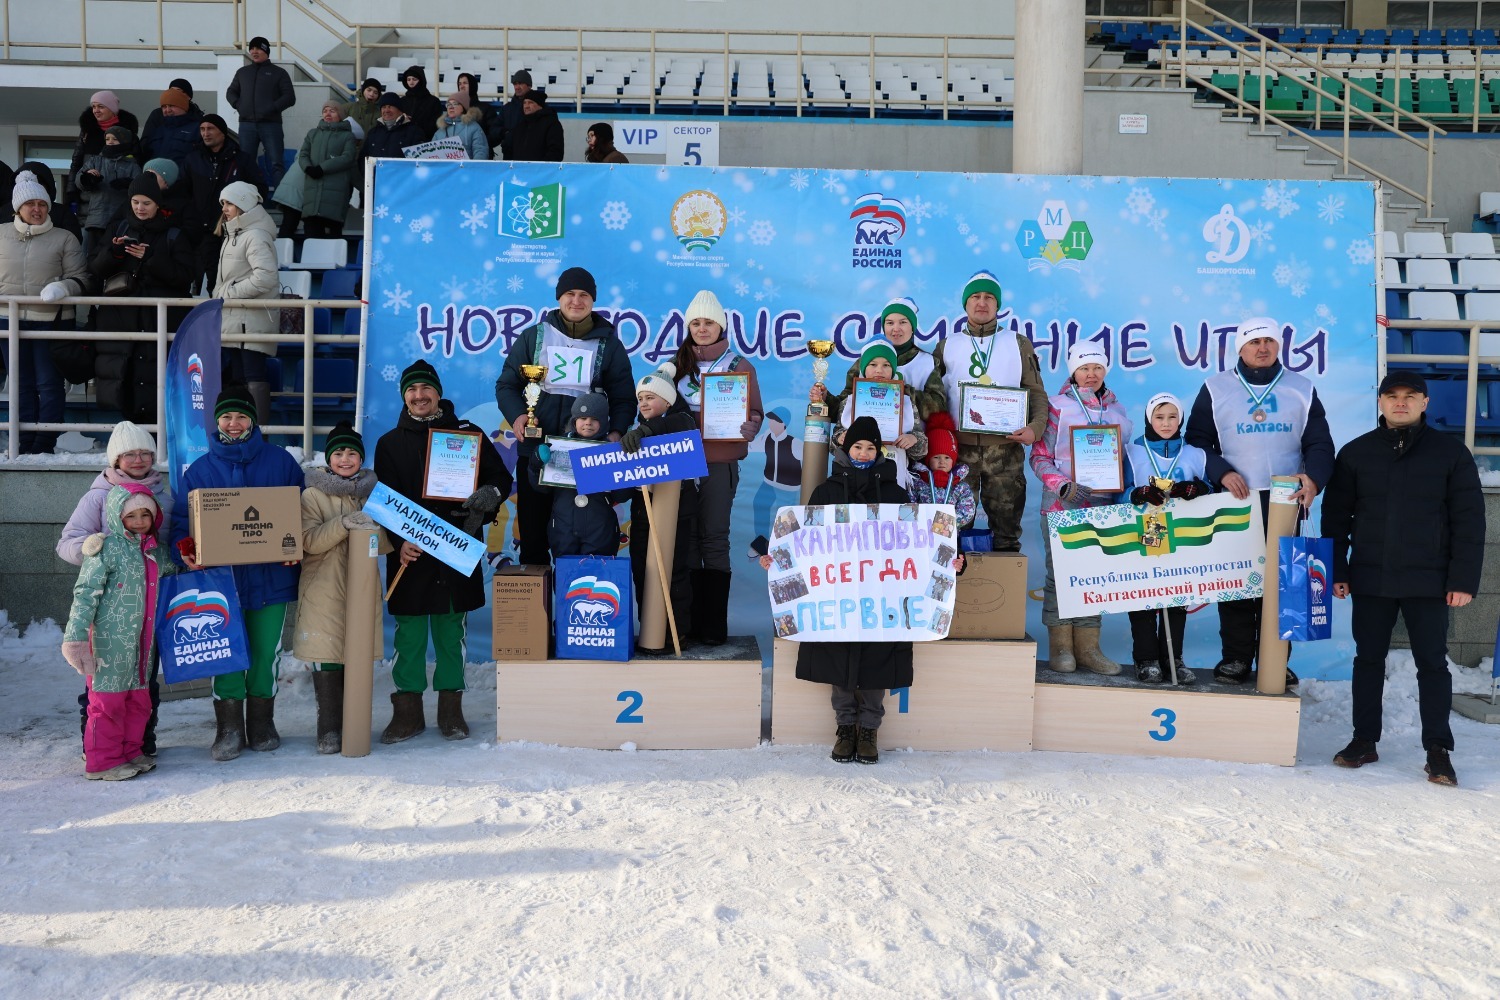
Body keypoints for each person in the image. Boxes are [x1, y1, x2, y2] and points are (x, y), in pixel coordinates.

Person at [761, 416, 963, 764]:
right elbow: (802, 542)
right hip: (837, 600)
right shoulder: (824, 492)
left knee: (876, 662)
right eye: (858, 446)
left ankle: (869, 730)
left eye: (871, 447)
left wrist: (951, 562)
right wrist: (778, 559)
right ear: (845, 448)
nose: (864, 452)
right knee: (837, 657)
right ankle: (844, 728)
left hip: (880, 600)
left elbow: (921, 542)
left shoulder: (896, 495)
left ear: (879, 451)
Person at [1322, 371, 1485, 787]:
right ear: (1379, 402)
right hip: (1372, 577)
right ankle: (1364, 740)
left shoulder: (1450, 453)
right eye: (1392, 396)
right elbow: (1336, 518)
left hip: (1429, 581)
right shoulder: (1356, 453)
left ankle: (1438, 750)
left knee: (1432, 664)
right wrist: (1338, 570)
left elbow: (1469, 521)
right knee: (1368, 661)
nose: (1400, 403)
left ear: (1425, 403)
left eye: (1410, 396)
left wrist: (1462, 579)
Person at [1184, 316, 1335, 687]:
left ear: (1279, 346)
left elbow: (1319, 443)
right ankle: (1235, 658)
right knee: (1238, 582)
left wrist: (1313, 480)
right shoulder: (1216, 388)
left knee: (1285, 584)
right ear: (1240, 348)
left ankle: (1275, 659)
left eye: (1269, 341)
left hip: (1286, 500)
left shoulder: (1301, 387)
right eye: (1254, 343)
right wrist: (1219, 471)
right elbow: (1197, 440)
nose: (1262, 348)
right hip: (1235, 499)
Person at [374, 361, 510, 743]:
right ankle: (407, 714)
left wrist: (488, 497)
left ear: (438, 392)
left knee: (452, 636)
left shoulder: (468, 434)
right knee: (410, 639)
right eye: (412, 390)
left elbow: (501, 479)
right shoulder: (389, 443)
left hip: (455, 549)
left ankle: (451, 712)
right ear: (404, 396)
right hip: (411, 555)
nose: (419, 396)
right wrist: (398, 542)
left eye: (425, 389)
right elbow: (385, 500)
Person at [170, 384, 303, 761]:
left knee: (265, 655)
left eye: (241, 415)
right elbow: (182, 522)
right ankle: (228, 728)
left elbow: (301, 514)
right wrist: (187, 549)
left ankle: (261, 724)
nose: (233, 423)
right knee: (225, 653)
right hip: (221, 582)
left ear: (253, 419)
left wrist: (296, 548)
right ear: (217, 421)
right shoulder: (200, 470)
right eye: (226, 416)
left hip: (271, 580)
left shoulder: (281, 462)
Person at [496, 267, 635, 566]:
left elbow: (624, 397)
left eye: (584, 295)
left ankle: (575, 608)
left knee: (581, 540)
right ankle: (539, 612)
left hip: (585, 456)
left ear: (593, 301)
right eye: (570, 294)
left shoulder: (609, 344)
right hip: (538, 452)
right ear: (559, 298)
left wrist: (616, 432)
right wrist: (519, 416)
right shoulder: (534, 336)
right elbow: (507, 384)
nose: (576, 301)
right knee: (533, 537)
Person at [57, 421, 174, 754]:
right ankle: (96, 745)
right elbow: (67, 543)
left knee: (145, 677)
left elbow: (170, 543)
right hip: (113, 605)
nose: (138, 460)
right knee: (103, 680)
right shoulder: (98, 496)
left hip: (151, 600)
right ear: (115, 459)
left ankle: (140, 741)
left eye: (145, 453)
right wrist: (92, 547)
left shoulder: (165, 495)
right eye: (129, 454)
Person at [1029, 342, 1131, 675]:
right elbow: (1039, 456)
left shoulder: (1118, 412)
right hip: (1062, 502)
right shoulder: (1057, 406)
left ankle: (1088, 648)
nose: (1091, 374)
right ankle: (1061, 649)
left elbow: (1125, 461)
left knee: (1094, 577)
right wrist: (1062, 484)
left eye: (1097, 368)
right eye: (1084, 368)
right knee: (1060, 576)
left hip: (1101, 507)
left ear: (1105, 371)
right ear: (1073, 371)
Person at [932, 271, 1049, 552]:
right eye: (975, 296)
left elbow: (1036, 392)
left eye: (988, 297)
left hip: (1006, 450)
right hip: (959, 452)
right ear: (965, 304)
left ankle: (1003, 592)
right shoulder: (947, 346)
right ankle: (956, 592)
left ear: (998, 305)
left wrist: (1035, 428)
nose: (981, 302)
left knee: (1007, 532)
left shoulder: (1018, 343)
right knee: (953, 534)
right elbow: (934, 398)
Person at [670, 289, 762, 644]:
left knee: (713, 536)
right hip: (680, 461)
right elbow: (655, 402)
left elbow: (754, 410)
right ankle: (689, 623)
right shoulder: (675, 363)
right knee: (687, 539)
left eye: (709, 322)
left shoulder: (738, 364)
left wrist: (750, 425)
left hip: (719, 462)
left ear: (721, 326)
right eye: (696, 322)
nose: (702, 328)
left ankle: (713, 627)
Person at [295, 421, 390, 754]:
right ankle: (329, 728)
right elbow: (308, 541)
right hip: (324, 587)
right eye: (339, 453)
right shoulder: (312, 495)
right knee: (328, 656)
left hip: (361, 588)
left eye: (352, 453)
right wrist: (344, 524)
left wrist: (397, 540)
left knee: (357, 654)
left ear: (361, 459)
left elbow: (386, 541)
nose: (345, 459)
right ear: (328, 458)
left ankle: (355, 723)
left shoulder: (374, 495)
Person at [88, 174, 197, 422]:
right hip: (121, 322)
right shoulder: (117, 228)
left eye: (146, 203)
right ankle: (133, 446)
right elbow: (95, 268)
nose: (140, 208)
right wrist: (113, 253)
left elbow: (184, 277)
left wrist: (150, 259)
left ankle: (156, 447)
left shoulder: (174, 235)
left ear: (158, 204)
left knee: (157, 385)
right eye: (135, 202)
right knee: (125, 384)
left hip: (160, 322)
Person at [1122, 392, 1213, 685]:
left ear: (1181, 419)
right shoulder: (1130, 452)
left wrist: (1198, 489)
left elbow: (1210, 489)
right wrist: (1135, 494)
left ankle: (1173, 658)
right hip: (1141, 533)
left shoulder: (1195, 453)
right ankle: (1146, 658)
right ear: (1149, 418)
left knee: (1176, 596)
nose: (1166, 423)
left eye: (1172, 417)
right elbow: (1116, 491)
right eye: (1159, 417)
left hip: (1180, 534)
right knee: (1142, 597)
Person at [0, 171, 91, 454]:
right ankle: (23, 442)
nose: (37, 210)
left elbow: (82, 279)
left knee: (49, 384)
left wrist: (63, 287)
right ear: (18, 208)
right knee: (19, 384)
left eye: (41, 204)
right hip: (8, 320)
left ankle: (44, 442)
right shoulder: (1, 234)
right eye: (30, 205)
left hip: (51, 322)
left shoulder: (64, 238)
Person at [212, 181, 281, 424]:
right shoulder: (234, 235)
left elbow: (266, 278)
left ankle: (258, 431)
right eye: (223, 203)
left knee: (252, 375)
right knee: (237, 377)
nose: (225, 208)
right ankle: (239, 428)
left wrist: (228, 293)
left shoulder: (255, 236)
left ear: (244, 204)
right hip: (235, 322)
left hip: (250, 322)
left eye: (229, 202)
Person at [820, 337, 926, 489]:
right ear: (863, 368)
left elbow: (922, 450)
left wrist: (913, 439)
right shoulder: (849, 402)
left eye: (886, 365)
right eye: (873, 364)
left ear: (894, 369)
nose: (879, 370)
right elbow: (832, 446)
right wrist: (841, 438)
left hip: (893, 479)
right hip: (853, 479)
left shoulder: (905, 402)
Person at [831, 297, 945, 422]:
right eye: (890, 323)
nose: (896, 329)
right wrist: (825, 400)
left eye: (903, 322)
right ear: (884, 327)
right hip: (868, 439)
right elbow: (845, 404)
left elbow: (939, 409)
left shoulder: (928, 363)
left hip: (912, 438)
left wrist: (898, 390)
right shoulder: (867, 360)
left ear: (912, 327)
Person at [185, 114, 266, 286]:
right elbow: (183, 193)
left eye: (210, 128)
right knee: (202, 283)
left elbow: (259, 190)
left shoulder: (242, 160)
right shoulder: (192, 159)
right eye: (202, 129)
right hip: (201, 231)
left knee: (227, 280)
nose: (205, 133)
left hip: (233, 231)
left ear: (222, 132)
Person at [537, 391, 619, 557]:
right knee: (565, 576)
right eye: (583, 418)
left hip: (600, 529)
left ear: (603, 422)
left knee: (599, 578)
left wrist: (623, 470)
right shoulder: (557, 446)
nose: (588, 423)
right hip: (563, 527)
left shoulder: (612, 452)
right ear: (574, 421)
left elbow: (623, 495)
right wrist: (535, 464)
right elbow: (541, 489)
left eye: (595, 419)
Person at [226, 36, 296, 188]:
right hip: (246, 125)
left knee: (276, 162)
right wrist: (239, 105)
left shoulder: (279, 73)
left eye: (258, 48)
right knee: (245, 163)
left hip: (271, 125)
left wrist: (271, 108)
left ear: (266, 51)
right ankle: (247, 199)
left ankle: (279, 201)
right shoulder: (242, 72)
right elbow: (231, 92)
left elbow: (289, 97)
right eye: (252, 48)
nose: (254, 51)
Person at [75, 126, 141, 260]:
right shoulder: (95, 160)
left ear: (124, 142)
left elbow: (140, 189)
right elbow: (79, 180)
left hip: (120, 221)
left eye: (115, 139)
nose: (110, 142)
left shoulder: (132, 165)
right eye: (107, 139)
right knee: (92, 257)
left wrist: (129, 184)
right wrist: (87, 178)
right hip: (96, 219)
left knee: (114, 257)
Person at [296, 101, 358, 238]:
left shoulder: (347, 136)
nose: (328, 114)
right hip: (313, 196)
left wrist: (322, 168)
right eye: (325, 110)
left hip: (335, 197)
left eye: (332, 111)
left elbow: (347, 157)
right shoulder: (312, 134)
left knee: (332, 241)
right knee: (311, 240)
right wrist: (308, 167)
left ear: (340, 115)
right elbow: (303, 154)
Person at [69, 91, 140, 208]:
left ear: (112, 109)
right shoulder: (87, 132)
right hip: (90, 198)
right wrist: (71, 192)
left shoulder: (128, 133)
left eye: (101, 106)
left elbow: (137, 163)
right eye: (94, 106)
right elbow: (76, 164)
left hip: (119, 198)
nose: (96, 110)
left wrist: (129, 183)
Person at [907, 412, 976, 530]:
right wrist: (922, 522)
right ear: (928, 459)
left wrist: (942, 525)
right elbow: (909, 504)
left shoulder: (960, 486)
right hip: (921, 533)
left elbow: (967, 510)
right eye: (936, 457)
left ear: (953, 460)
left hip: (948, 535)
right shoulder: (918, 481)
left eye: (947, 457)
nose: (942, 462)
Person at [750, 408, 801, 549]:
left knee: (785, 517)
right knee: (759, 503)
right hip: (768, 482)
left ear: (783, 423)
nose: (771, 423)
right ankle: (760, 543)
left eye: (775, 420)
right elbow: (751, 446)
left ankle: (785, 548)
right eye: (770, 420)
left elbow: (811, 459)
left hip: (788, 486)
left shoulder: (794, 443)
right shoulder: (767, 437)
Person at [138, 79, 203, 165]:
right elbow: (145, 147)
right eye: (164, 107)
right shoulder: (158, 125)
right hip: (154, 175)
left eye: (172, 106)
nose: (167, 110)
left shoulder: (197, 127)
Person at [362, 93, 429, 167]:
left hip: (402, 178)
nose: (387, 110)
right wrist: (371, 176)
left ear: (400, 110)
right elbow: (363, 158)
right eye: (384, 107)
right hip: (376, 178)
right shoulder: (373, 132)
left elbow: (420, 161)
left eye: (390, 107)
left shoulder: (414, 131)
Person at [508, 89, 564, 162]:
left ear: (540, 105)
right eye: (524, 103)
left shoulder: (552, 124)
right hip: (519, 171)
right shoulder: (520, 125)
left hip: (543, 171)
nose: (526, 106)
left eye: (530, 103)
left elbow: (556, 152)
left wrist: (540, 168)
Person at [433, 92, 491, 160]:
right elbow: (432, 154)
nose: (451, 107)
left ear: (463, 107)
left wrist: (472, 169)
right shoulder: (440, 131)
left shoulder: (474, 127)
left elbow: (480, 151)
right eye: (448, 104)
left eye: (455, 104)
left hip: (467, 169)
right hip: (445, 170)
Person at [455, 72, 502, 149]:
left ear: (472, 86)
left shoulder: (486, 109)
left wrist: (478, 144)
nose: (462, 86)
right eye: (459, 84)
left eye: (465, 83)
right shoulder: (455, 109)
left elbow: (495, 135)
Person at [397, 65, 446, 137]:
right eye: (408, 79)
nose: (411, 82)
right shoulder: (402, 101)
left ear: (421, 80)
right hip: (404, 140)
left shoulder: (433, 101)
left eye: (414, 79)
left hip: (425, 141)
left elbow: (435, 125)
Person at [498, 69, 532, 160]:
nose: (517, 87)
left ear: (529, 85)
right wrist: (506, 135)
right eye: (515, 84)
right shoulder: (506, 109)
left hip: (531, 160)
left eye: (520, 83)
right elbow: (495, 129)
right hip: (510, 158)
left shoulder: (538, 108)